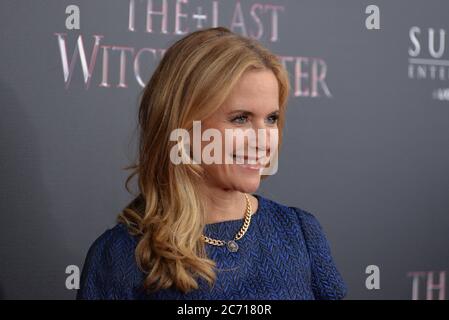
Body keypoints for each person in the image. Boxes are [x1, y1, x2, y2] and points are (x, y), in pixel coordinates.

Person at [76, 26, 347, 300]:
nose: (263, 140)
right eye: (240, 118)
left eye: (271, 119)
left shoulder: (300, 233)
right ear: (184, 126)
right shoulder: (121, 255)